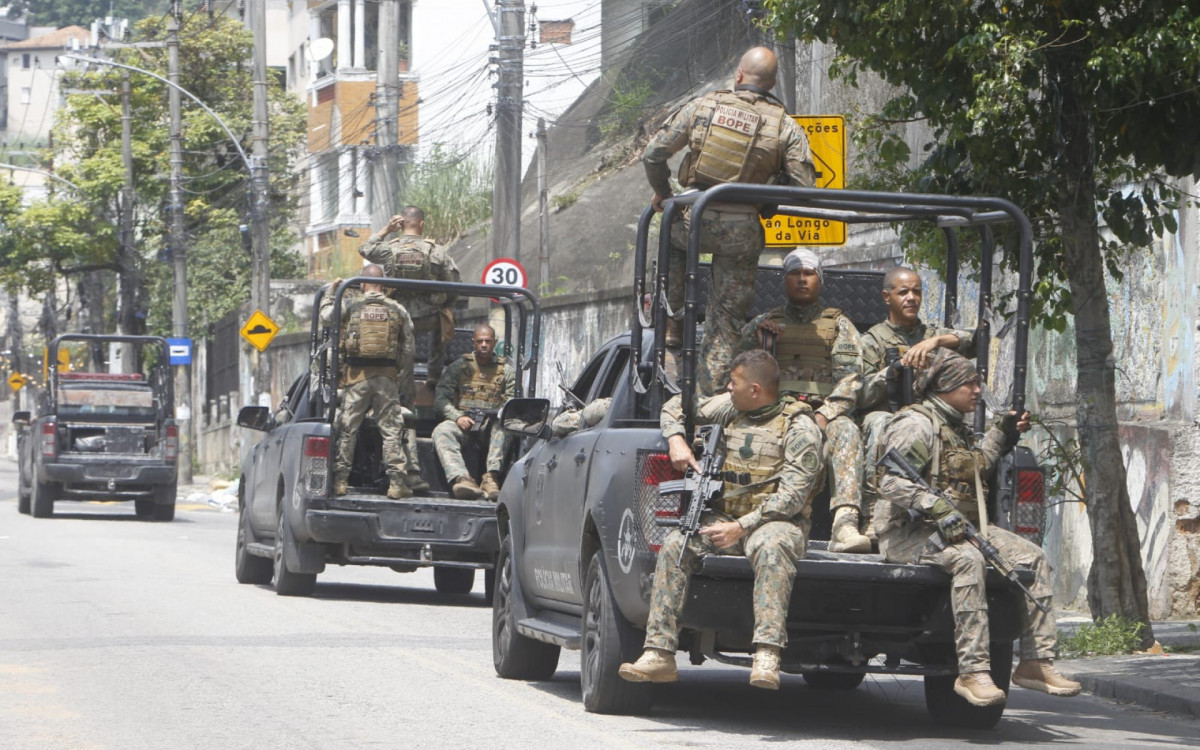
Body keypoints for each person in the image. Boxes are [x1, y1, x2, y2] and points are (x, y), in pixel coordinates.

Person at [875, 349, 1081, 707]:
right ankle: (973, 671)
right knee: (968, 560)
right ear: (945, 386)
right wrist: (934, 505)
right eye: (969, 383)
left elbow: (974, 468)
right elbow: (889, 481)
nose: (976, 390)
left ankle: (1035, 661)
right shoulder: (916, 425)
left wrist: (1002, 434)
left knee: (1033, 558)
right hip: (909, 534)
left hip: (962, 528)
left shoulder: (955, 427)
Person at [619, 350, 824, 690]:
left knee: (773, 548)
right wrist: (676, 439)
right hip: (725, 517)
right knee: (676, 543)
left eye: (734, 382)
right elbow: (678, 405)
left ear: (755, 390)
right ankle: (659, 652)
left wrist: (741, 527)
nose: (728, 387)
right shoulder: (732, 408)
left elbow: (792, 498)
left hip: (773, 523)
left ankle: (767, 653)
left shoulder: (799, 427)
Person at [643, 46, 816, 395]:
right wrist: (770, 188)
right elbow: (805, 187)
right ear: (772, 84)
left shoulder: (703, 106)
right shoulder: (784, 125)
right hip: (742, 230)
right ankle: (709, 396)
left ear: (738, 75)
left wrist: (663, 192)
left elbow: (653, 154)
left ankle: (673, 320)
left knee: (670, 237)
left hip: (695, 219)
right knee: (726, 318)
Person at [737, 248, 871, 553]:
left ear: (819, 279)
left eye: (808, 273)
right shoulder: (762, 324)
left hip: (821, 413)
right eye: (794, 274)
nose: (801, 279)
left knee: (846, 430)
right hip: (775, 415)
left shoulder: (839, 325)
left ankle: (845, 524)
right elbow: (738, 374)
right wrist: (760, 346)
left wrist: (825, 414)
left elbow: (851, 380)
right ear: (784, 280)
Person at [858, 266, 976, 525]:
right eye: (903, 292)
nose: (911, 298)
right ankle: (873, 513)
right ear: (887, 297)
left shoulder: (932, 335)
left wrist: (936, 342)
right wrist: (894, 370)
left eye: (917, 292)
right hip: (889, 417)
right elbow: (861, 395)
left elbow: (975, 339)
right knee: (879, 423)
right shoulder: (872, 341)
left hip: (930, 419)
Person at [319, 264, 416, 499]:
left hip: (356, 377)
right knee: (391, 431)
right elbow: (408, 348)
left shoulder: (351, 305)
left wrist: (331, 293)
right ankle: (396, 484)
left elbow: (326, 318)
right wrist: (398, 373)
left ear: (362, 284)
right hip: (386, 377)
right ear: (383, 284)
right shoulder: (397, 309)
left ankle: (340, 481)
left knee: (348, 429)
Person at [358, 205, 461, 381]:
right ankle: (434, 375)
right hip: (428, 317)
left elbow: (364, 248)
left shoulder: (390, 249)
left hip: (397, 316)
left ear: (401, 225)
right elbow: (453, 284)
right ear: (421, 224)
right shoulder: (437, 250)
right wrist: (446, 305)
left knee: (399, 343)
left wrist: (387, 229)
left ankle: (397, 378)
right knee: (444, 317)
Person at [432, 324, 515, 500]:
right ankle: (462, 479)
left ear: (495, 342)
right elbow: (441, 399)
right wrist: (457, 417)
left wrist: (499, 413)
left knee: (504, 427)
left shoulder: (506, 371)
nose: (484, 345)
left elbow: (512, 403)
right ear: (473, 342)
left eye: (488, 341)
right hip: (464, 423)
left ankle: (490, 478)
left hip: (490, 426)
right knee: (442, 431)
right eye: (480, 341)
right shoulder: (458, 367)